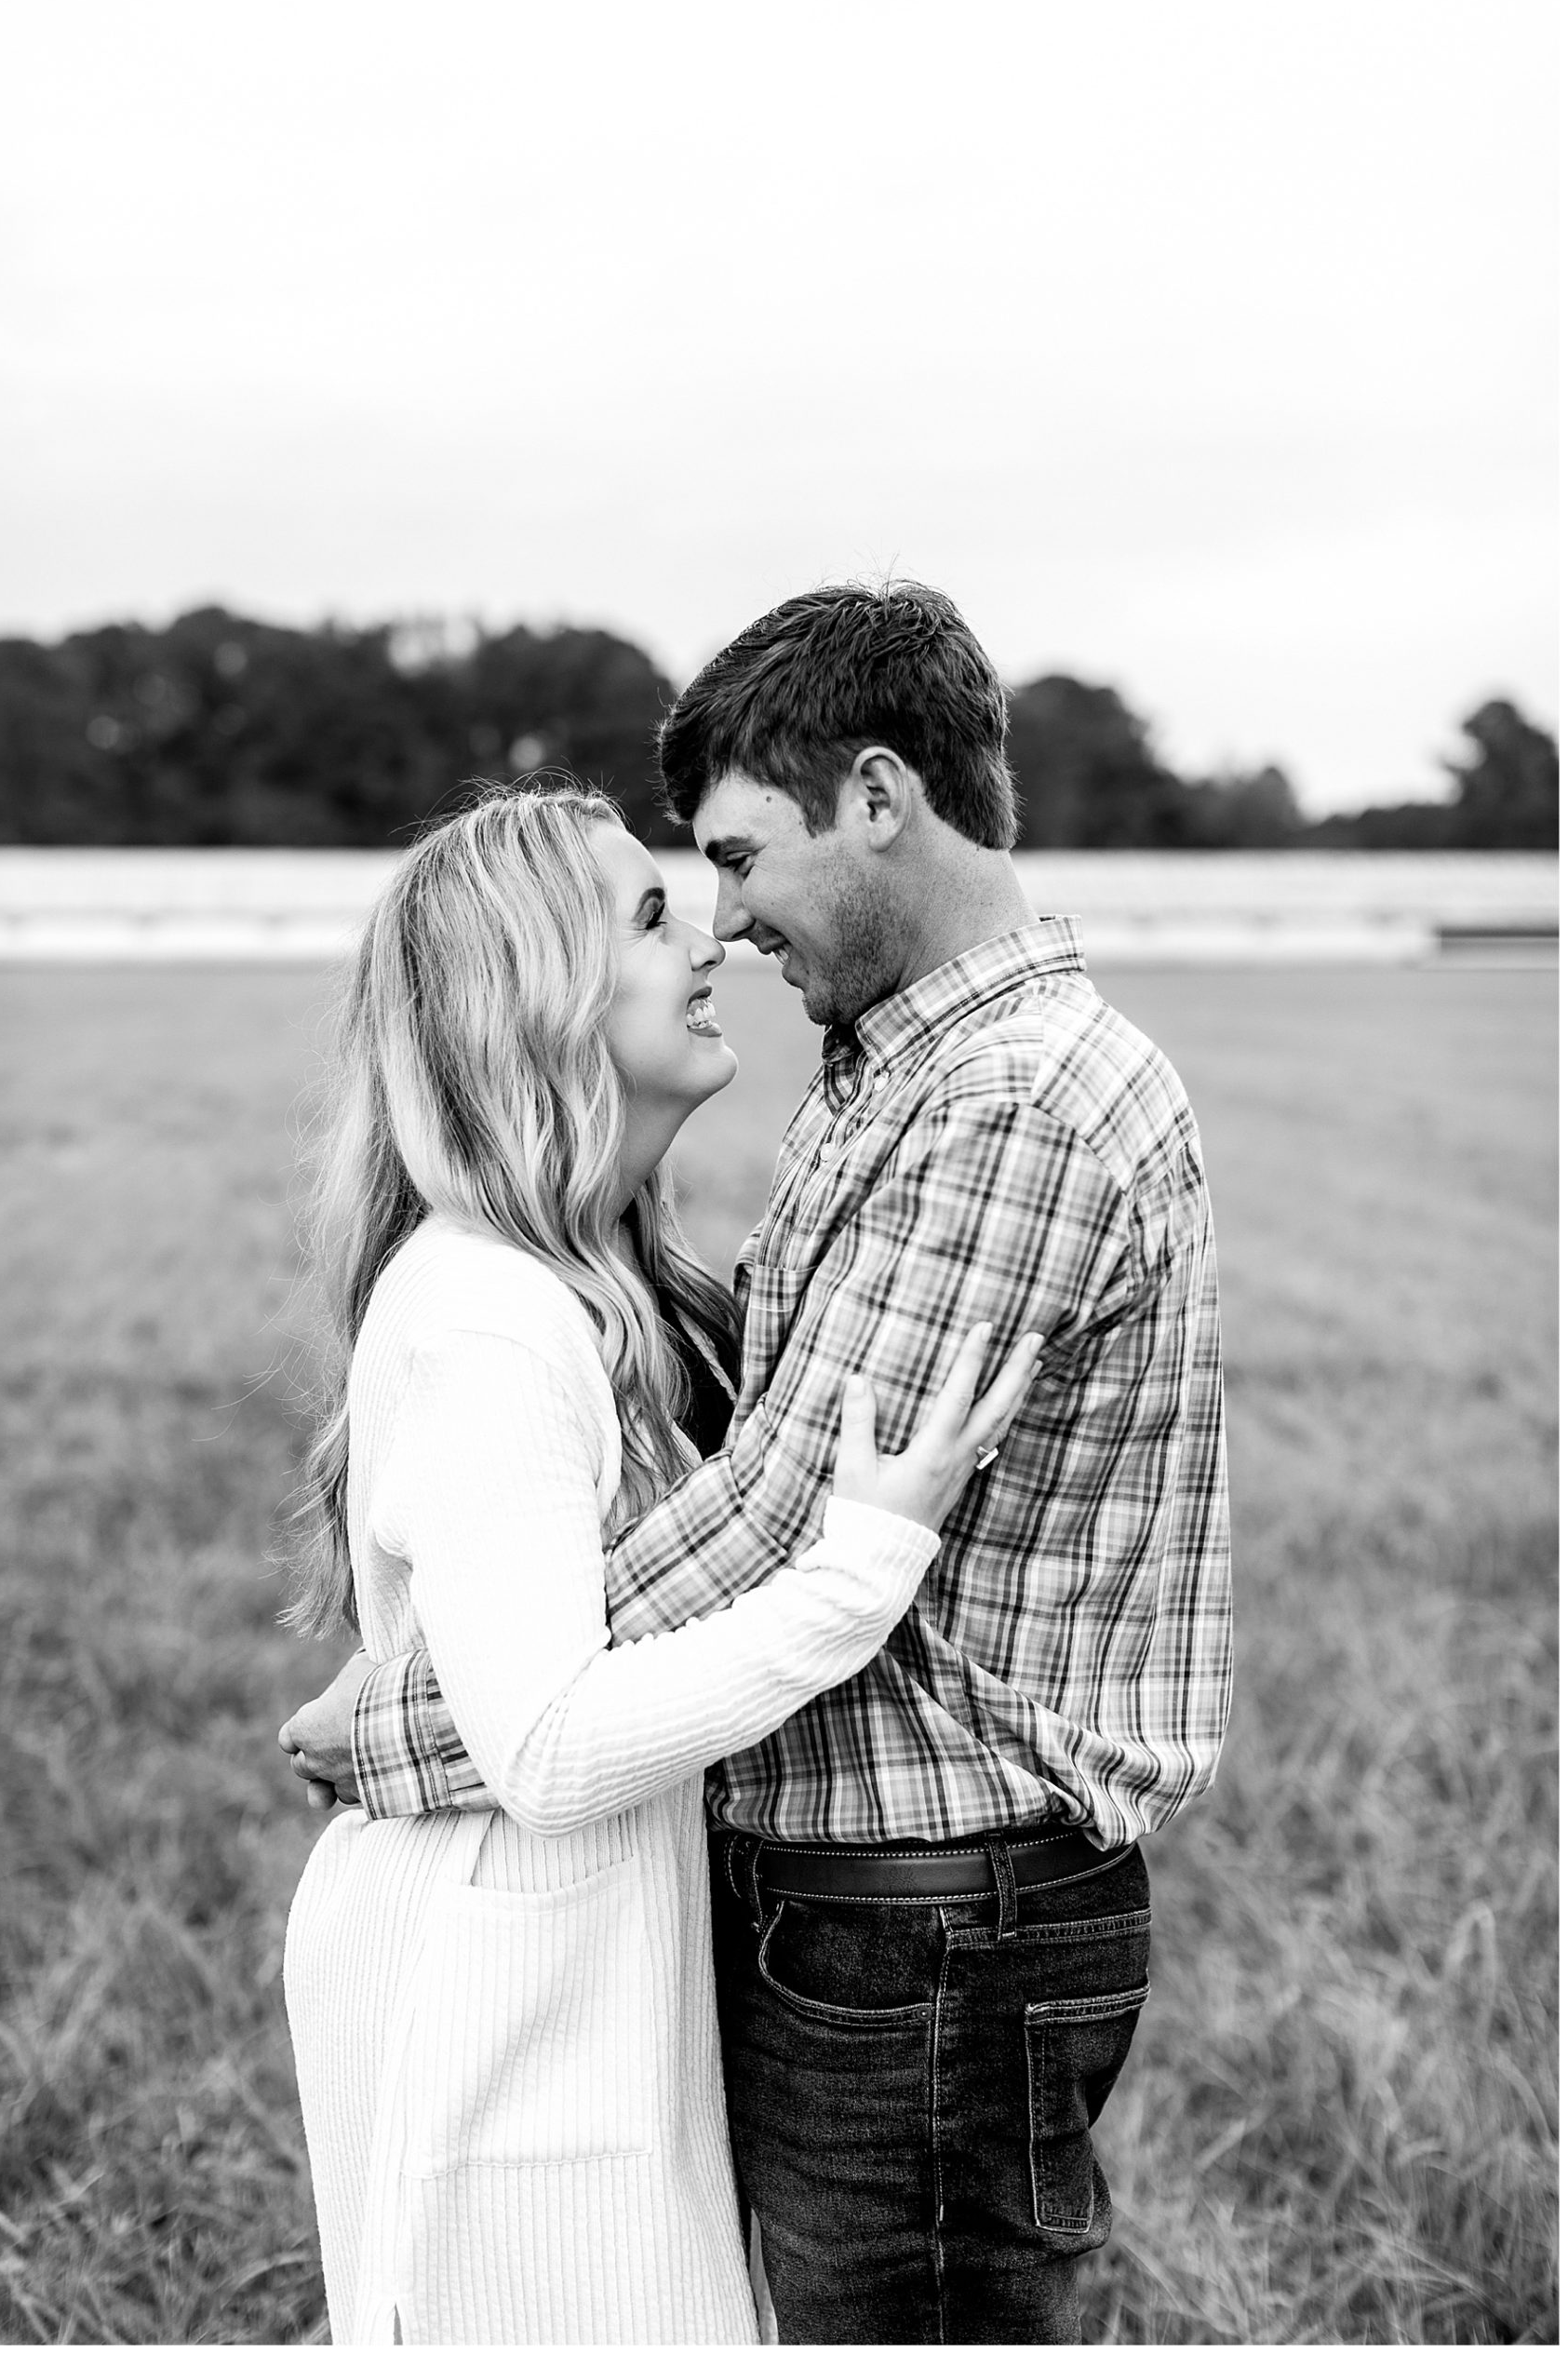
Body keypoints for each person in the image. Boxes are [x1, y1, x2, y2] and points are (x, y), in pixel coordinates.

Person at [282, 582, 1233, 2345]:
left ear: (877, 800)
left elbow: (786, 1513)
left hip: (933, 1904)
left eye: (729, 861)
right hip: (850, 1910)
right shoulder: (897, 1081)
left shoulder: (1006, 1097)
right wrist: (493, 1702)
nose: (723, 922)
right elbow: (777, 1482)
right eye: (670, 897)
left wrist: (421, 1722)